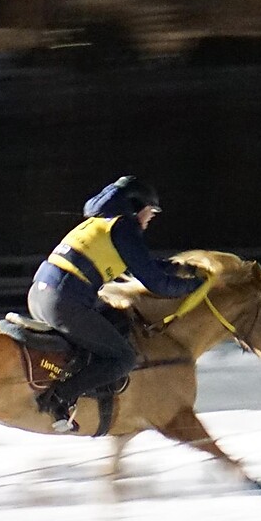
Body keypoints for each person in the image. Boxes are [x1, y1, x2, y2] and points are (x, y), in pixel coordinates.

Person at [27, 175, 203, 432]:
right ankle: (59, 398)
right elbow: (156, 284)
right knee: (123, 357)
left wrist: (176, 268)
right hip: (64, 301)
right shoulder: (125, 226)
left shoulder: (102, 222)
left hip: (41, 295)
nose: (151, 218)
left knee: (117, 321)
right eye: (150, 211)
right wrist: (194, 287)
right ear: (136, 206)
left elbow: (141, 266)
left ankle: (92, 389)